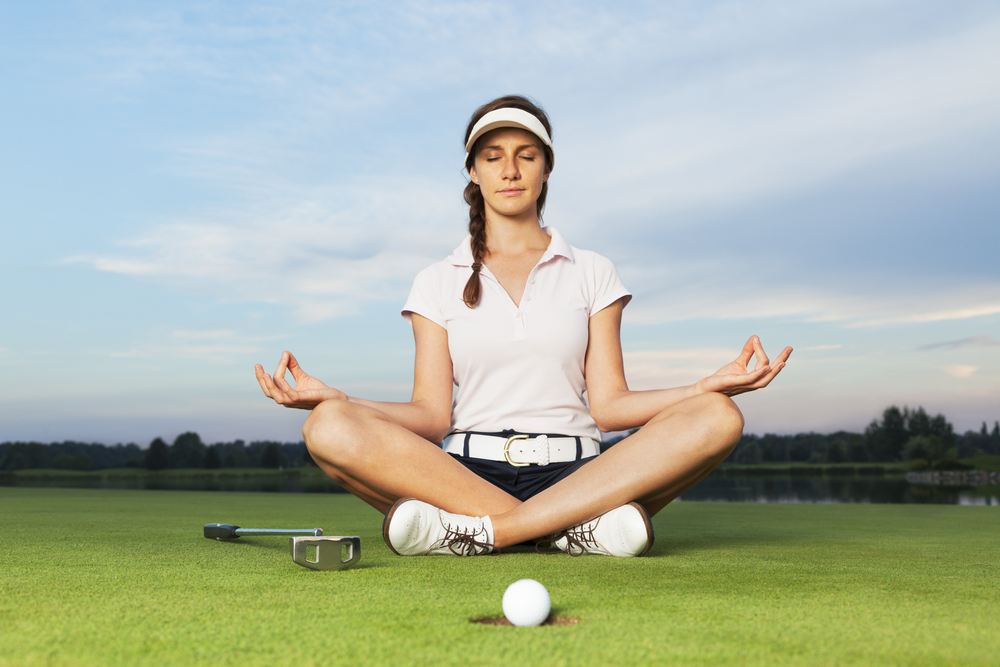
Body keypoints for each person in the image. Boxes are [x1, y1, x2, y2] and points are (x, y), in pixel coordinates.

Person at [255, 95, 792, 558]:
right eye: (493, 157)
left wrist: (700, 389)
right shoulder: (435, 280)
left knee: (719, 415)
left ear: (546, 169)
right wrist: (342, 400)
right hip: (464, 478)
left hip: (580, 474)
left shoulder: (592, 270)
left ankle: (488, 534)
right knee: (327, 426)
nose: (509, 170)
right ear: (473, 171)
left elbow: (609, 408)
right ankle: (570, 532)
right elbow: (429, 416)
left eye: (525, 156)